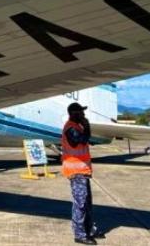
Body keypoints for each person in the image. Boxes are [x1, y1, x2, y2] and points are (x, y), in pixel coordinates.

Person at [62, 102, 104, 245]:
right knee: (80, 204)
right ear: (74, 113)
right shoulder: (70, 128)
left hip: (82, 171)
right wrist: (87, 126)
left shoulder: (76, 127)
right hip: (76, 171)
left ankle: (89, 229)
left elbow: (84, 140)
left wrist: (85, 127)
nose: (84, 115)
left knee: (87, 203)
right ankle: (79, 234)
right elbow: (80, 141)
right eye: (81, 112)